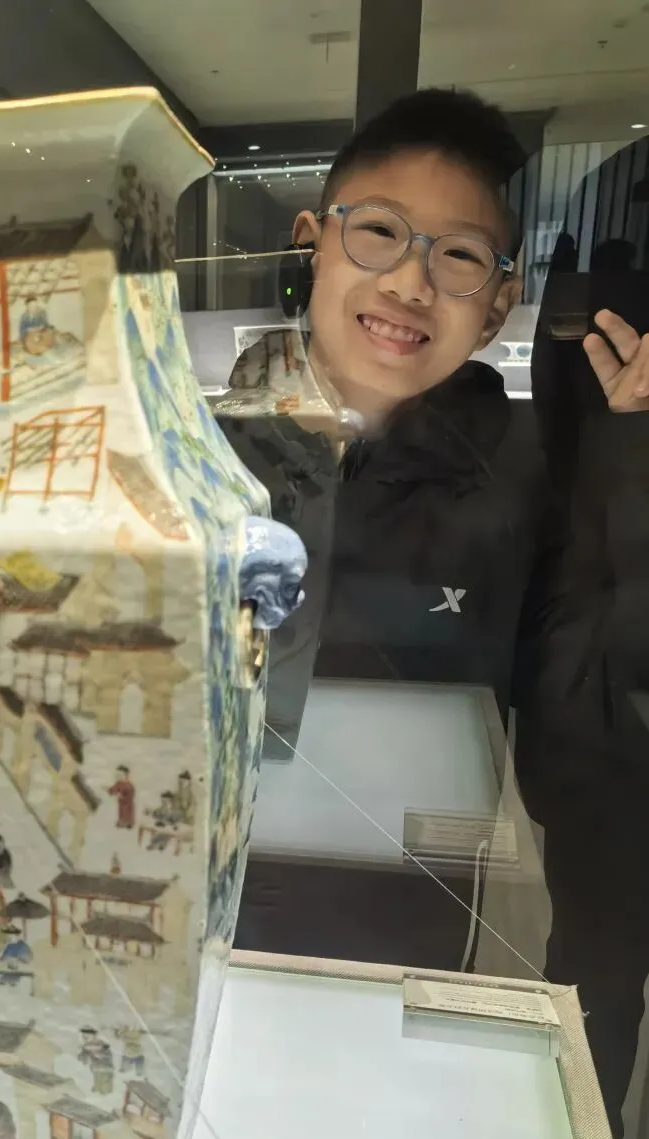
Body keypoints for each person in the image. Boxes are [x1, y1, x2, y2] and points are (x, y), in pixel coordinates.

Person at [231, 89, 547, 971]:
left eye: (459, 255)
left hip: (402, 921)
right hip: (204, 887)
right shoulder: (202, 458)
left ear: (497, 306)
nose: (411, 284)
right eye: (379, 231)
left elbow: (586, 714)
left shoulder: (524, 484)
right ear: (311, 242)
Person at [517, 133, 649, 1139]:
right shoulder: (580, 451)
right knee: (592, 989)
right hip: (595, 755)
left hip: (595, 745)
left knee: (593, 986)